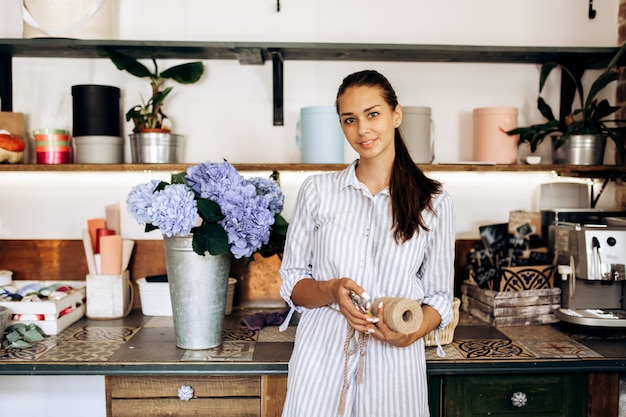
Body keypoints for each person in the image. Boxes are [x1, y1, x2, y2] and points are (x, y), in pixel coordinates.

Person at [279, 69, 455, 417]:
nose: (362, 130)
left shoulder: (433, 201)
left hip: (395, 359)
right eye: (349, 119)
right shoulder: (317, 191)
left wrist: (411, 333)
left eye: (373, 114)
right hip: (322, 351)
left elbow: (438, 297)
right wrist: (332, 290)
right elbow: (292, 282)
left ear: (396, 114)